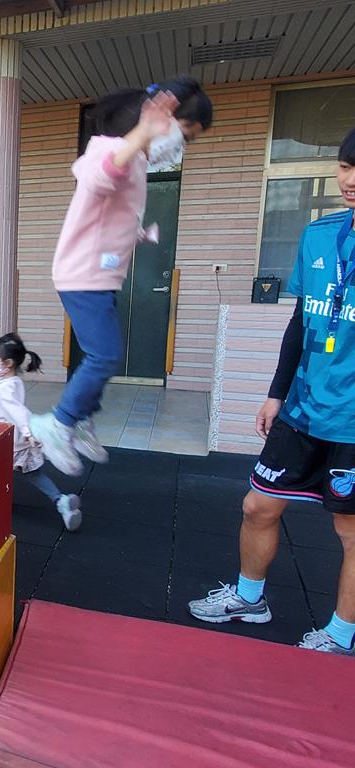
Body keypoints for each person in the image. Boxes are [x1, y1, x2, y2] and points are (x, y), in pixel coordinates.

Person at [188, 128, 355, 657]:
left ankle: (341, 635)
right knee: (258, 505)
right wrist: (276, 393)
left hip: (353, 424)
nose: (349, 179)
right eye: (345, 166)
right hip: (303, 407)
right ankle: (248, 598)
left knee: (351, 532)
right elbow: (301, 322)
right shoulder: (320, 235)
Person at [30, 77, 214, 476]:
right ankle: (58, 423)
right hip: (82, 275)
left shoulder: (136, 162)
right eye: (185, 135)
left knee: (101, 354)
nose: (182, 146)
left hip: (100, 275)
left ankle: (80, 418)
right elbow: (98, 178)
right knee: (106, 355)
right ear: (155, 119)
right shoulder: (111, 151)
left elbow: (108, 214)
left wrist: (139, 235)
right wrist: (140, 134)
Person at [0, 333, 82, 532]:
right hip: (15, 438)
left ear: (8, 363)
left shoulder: (4, 389)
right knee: (33, 473)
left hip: (4, 440)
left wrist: (29, 431)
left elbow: (17, 411)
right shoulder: (14, 382)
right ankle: (60, 500)